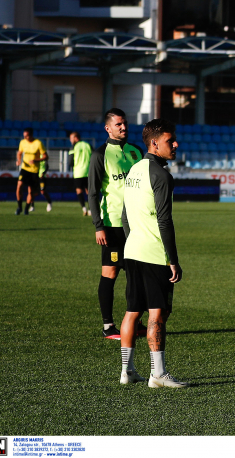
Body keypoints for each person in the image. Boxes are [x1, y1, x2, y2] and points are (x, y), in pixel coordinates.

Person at [119, 118, 187, 388]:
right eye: (171, 140)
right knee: (157, 313)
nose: (176, 144)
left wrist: (133, 241)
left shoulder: (134, 169)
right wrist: (173, 259)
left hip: (132, 249)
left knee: (132, 311)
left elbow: (124, 217)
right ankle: (158, 374)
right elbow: (164, 221)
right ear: (155, 143)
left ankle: (127, 371)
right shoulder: (161, 175)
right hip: (153, 253)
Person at [89, 108, 144, 340]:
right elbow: (93, 193)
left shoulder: (136, 151)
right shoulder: (100, 155)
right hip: (112, 224)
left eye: (125, 123)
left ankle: (135, 322)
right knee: (110, 273)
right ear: (108, 128)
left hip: (137, 224)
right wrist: (98, 225)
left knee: (136, 275)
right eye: (118, 124)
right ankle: (108, 326)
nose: (123, 127)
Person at [15, 127, 46, 215]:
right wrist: (19, 160)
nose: (25, 138)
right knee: (19, 186)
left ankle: (26, 209)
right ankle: (19, 207)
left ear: (31, 135)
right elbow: (19, 153)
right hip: (25, 168)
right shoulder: (22, 142)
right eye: (24, 136)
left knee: (30, 191)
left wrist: (35, 160)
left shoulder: (38, 143)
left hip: (34, 170)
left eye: (26, 136)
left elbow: (45, 156)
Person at [69, 132, 92, 216]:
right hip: (88, 171)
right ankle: (90, 210)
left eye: (71, 138)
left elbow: (70, 161)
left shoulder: (74, 147)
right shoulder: (88, 145)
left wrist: (73, 165)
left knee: (79, 191)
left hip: (78, 172)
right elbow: (94, 156)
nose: (70, 140)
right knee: (89, 191)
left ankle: (84, 208)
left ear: (76, 138)